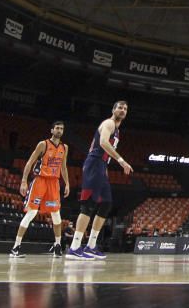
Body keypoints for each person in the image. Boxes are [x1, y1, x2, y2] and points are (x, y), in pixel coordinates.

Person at [66, 101, 133, 260]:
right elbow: (102, 143)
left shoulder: (117, 130)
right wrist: (121, 161)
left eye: (125, 109)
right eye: (119, 107)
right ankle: (74, 247)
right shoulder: (109, 123)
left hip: (101, 166)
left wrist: (106, 169)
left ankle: (91, 245)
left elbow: (100, 150)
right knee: (88, 205)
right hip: (94, 164)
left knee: (106, 205)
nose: (122, 110)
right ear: (113, 109)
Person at [9, 121, 70, 258]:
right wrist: (24, 181)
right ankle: (16, 247)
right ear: (52, 130)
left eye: (61, 128)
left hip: (54, 182)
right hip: (40, 180)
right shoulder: (43, 144)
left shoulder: (64, 147)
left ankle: (58, 245)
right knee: (32, 213)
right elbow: (30, 162)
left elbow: (63, 167)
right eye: (57, 128)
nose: (59, 130)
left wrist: (67, 183)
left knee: (56, 214)